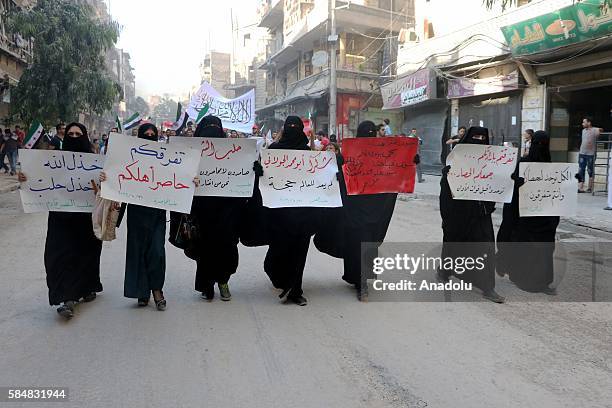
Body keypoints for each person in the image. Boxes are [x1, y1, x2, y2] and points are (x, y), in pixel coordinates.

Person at [18, 123, 103, 319]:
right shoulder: (52, 160)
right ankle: (67, 298)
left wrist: (103, 181)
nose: (73, 137)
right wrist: (25, 178)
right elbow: (36, 180)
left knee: (86, 254)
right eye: (70, 134)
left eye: (78, 134)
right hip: (61, 217)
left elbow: (106, 190)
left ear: (85, 136)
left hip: (86, 217)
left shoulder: (96, 162)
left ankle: (88, 286)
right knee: (59, 255)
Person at [100, 124, 168, 310]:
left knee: (156, 251)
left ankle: (157, 290)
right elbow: (118, 178)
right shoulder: (128, 156)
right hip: (136, 212)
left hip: (158, 212)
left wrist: (190, 180)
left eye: (152, 133)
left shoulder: (166, 156)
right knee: (137, 251)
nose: (149, 135)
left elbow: (178, 178)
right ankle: (141, 292)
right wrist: (109, 182)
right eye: (145, 133)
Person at [438, 126, 505, 303]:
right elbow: (447, 189)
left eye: (482, 139)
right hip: (459, 212)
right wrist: (446, 177)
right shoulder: (457, 159)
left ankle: (488, 287)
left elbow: (498, 184)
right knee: (454, 243)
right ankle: (445, 271)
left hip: (481, 213)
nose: (479, 142)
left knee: (486, 248)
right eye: (474, 138)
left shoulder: (493, 161)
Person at [189, 115, 248, 301]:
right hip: (202, 211)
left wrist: (253, 171)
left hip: (227, 211)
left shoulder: (233, 152)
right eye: (209, 127)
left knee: (227, 248)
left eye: (216, 127)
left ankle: (223, 281)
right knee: (205, 250)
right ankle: (207, 286)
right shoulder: (190, 153)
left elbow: (242, 175)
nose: (212, 131)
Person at [340, 121, 398, 300]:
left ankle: (362, 279)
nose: (369, 135)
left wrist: (411, 162)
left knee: (368, 242)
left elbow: (397, 166)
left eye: (372, 133)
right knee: (357, 243)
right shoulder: (349, 153)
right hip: (355, 208)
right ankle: (360, 281)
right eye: (366, 133)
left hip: (375, 207)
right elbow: (339, 170)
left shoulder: (381, 153)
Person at [497, 131, 559, 295]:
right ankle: (520, 277)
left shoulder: (550, 165)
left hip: (543, 216)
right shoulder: (523, 162)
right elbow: (514, 187)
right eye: (539, 143)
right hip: (524, 215)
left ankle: (543, 282)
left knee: (544, 249)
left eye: (543, 144)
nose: (541, 148)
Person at [263, 116, 316, 306]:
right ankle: (282, 280)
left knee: (299, 252)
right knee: (279, 251)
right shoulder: (274, 151)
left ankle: (295, 289)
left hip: (303, 212)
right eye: (290, 127)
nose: (293, 130)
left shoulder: (308, 153)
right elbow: (264, 176)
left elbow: (318, 178)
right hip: (280, 213)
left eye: (296, 127)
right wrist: (259, 170)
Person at [577, 117, 603, 193]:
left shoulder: (594, 130)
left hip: (590, 154)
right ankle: (580, 187)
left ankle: (590, 187)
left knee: (590, 170)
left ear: (589, 123)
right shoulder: (583, 131)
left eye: (584, 122)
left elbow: (601, 129)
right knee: (580, 170)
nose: (582, 124)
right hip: (582, 153)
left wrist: (599, 130)